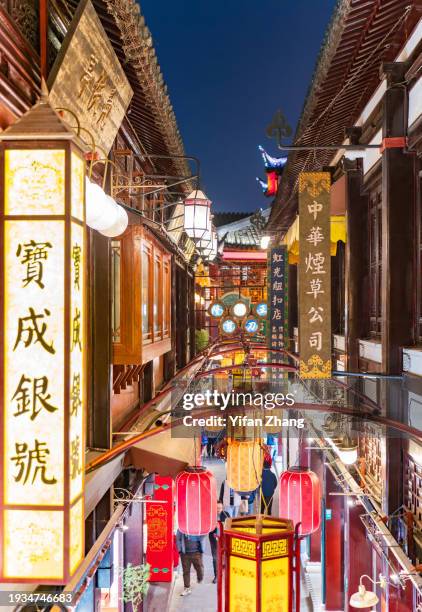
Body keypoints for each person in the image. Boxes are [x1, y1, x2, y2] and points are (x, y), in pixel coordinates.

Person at [176, 529, 206, 596]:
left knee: (199, 568)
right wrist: (180, 550)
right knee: (186, 571)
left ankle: (200, 578)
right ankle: (187, 588)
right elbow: (178, 539)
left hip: (196, 552)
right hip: (185, 553)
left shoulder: (197, 526)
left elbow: (203, 536)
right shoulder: (182, 527)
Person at [209, 501, 230, 583]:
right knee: (215, 558)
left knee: (224, 557)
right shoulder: (211, 515)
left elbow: (229, 527)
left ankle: (225, 573)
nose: (219, 510)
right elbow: (208, 528)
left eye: (220, 508)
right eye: (217, 508)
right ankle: (216, 576)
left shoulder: (226, 515)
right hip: (214, 539)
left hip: (223, 539)